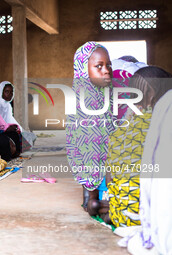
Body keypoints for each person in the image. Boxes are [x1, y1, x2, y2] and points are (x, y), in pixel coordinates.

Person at [106, 66, 172, 228]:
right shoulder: (164, 125)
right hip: (155, 219)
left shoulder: (119, 132)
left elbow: (109, 180)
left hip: (121, 217)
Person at [123, 68, 172, 255]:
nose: (137, 103)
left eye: (139, 95)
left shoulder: (163, 110)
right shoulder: (154, 112)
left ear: (151, 94)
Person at [65, 41, 115, 216]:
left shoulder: (108, 94)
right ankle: (90, 192)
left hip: (107, 165)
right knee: (90, 145)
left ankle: (97, 194)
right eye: (99, 66)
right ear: (83, 71)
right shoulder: (81, 101)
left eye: (108, 65)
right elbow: (81, 149)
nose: (106, 70)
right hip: (92, 167)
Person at [0, 81, 37, 149]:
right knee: (17, 137)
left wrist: (18, 128)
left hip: (6, 128)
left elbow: (10, 119)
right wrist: (6, 127)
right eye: (7, 91)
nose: (10, 94)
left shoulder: (7, 105)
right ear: (1, 91)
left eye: (11, 92)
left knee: (29, 136)